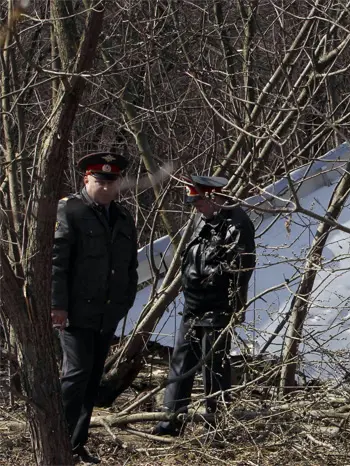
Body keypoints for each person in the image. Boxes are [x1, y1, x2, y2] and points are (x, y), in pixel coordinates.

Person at [151, 175, 256, 437]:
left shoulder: (237, 223)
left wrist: (221, 292)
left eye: (199, 202)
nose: (195, 208)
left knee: (214, 367)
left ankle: (217, 425)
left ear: (214, 197)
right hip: (193, 305)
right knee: (181, 362)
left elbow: (241, 269)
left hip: (218, 307)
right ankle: (170, 421)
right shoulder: (203, 221)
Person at [52, 152, 138, 464]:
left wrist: (125, 299)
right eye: (100, 180)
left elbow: (129, 265)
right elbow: (57, 262)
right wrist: (57, 305)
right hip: (75, 311)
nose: (105, 186)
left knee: (90, 380)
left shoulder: (123, 217)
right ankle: (57, 441)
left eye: (111, 181)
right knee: (76, 375)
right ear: (86, 179)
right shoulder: (70, 209)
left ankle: (75, 444)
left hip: (106, 313)